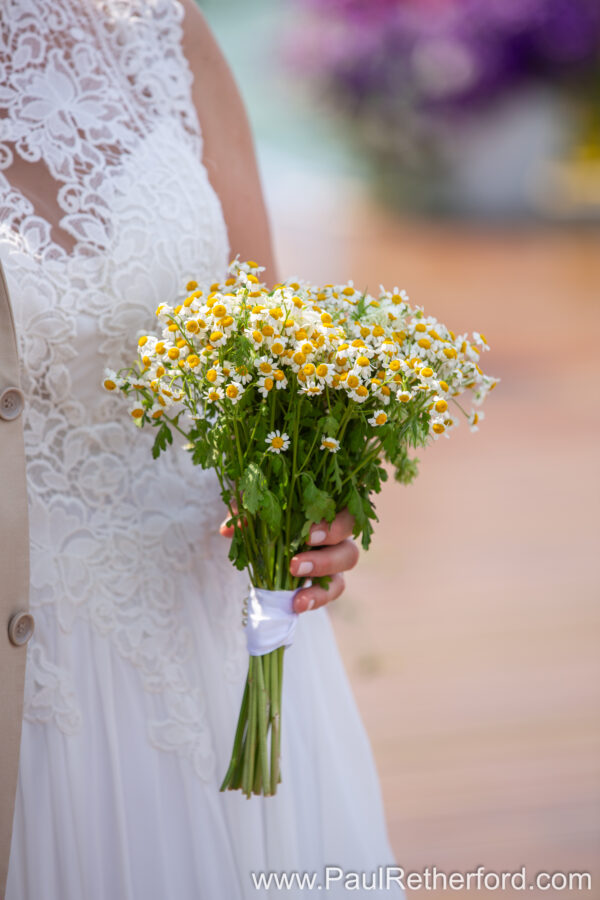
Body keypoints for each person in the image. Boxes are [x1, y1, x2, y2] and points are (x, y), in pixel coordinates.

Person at [0, 2, 401, 897]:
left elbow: (271, 346)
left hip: (221, 626)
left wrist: (310, 497)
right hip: (33, 684)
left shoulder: (160, 26)